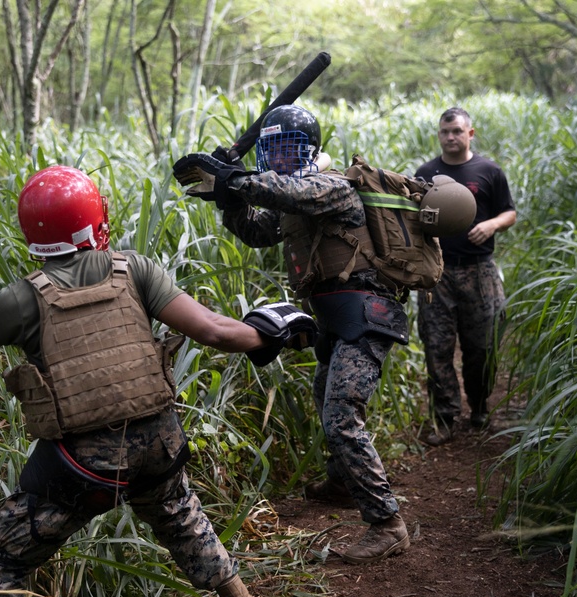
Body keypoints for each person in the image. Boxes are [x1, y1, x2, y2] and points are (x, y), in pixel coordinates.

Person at [0, 165, 318, 597]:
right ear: (94, 221)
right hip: (158, 445)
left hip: (80, 467)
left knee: (8, 558)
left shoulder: (22, 298)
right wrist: (271, 332)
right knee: (181, 516)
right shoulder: (133, 269)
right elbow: (216, 332)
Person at [172, 105, 412, 565]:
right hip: (335, 317)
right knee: (328, 397)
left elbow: (288, 192)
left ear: (312, 151)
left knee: (342, 414)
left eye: (291, 149)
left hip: (366, 312)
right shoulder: (291, 199)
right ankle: (344, 484)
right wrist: (230, 199)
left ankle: (387, 523)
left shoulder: (331, 186)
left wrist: (233, 178)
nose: (281, 159)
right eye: (273, 150)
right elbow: (256, 231)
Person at [414, 107, 517, 446]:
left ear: (470, 133)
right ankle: (444, 418)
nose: (450, 137)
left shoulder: (488, 170)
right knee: (437, 347)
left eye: (457, 131)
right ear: (439, 134)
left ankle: (480, 406)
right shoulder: (426, 172)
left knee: (482, 347)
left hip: (479, 271)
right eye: (445, 132)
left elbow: (509, 212)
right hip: (438, 272)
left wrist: (491, 225)